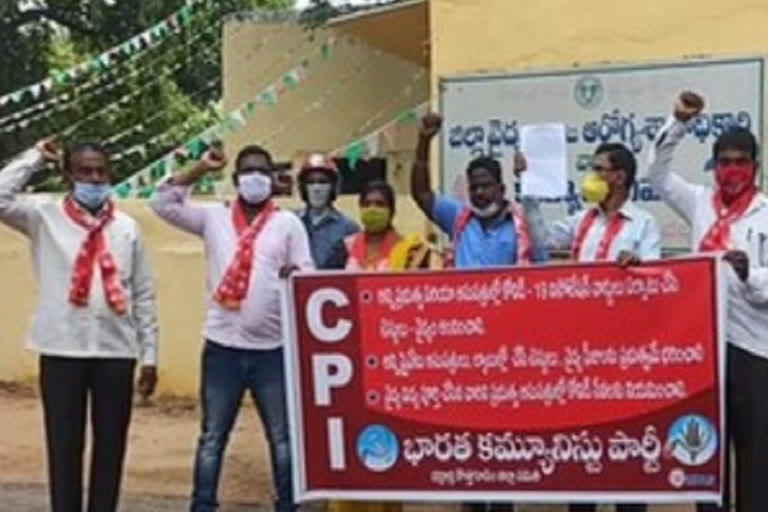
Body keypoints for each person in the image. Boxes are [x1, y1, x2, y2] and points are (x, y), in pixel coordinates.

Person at [149, 145, 313, 512]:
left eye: (262, 171)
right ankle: (203, 504)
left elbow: (308, 274)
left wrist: (295, 275)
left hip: (274, 348)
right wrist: (200, 169)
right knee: (212, 437)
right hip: (223, 347)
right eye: (248, 171)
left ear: (273, 179)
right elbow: (161, 203)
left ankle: (288, 504)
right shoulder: (213, 218)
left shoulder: (288, 224)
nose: (255, 177)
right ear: (237, 179)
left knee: (283, 439)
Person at [0, 139, 159, 512]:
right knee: (64, 447)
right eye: (85, 171)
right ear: (69, 175)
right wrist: (36, 156)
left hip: (116, 353)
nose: (94, 178)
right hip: (61, 351)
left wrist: (149, 355)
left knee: (110, 448)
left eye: (100, 171)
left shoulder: (127, 228)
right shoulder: (43, 216)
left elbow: (144, 295)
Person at [647, 90, 768, 512]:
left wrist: (748, 274)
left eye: (741, 161)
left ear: (755, 166)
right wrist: (678, 122)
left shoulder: (766, 214)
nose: (732, 169)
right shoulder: (699, 202)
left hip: (755, 350)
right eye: (724, 161)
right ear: (714, 165)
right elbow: (657, 177)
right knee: (705, 451)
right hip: (704, 351)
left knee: (755, 456)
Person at [411, 113, 546, 274]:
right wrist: (423, 143)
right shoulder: (458, 217)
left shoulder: (521, 226)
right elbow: (422, 194)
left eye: (486, 186)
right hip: (464, 297)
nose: (479, 192)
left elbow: (541, 269)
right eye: (474, 187)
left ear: (501, 189)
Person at [522, 142, 661, 268]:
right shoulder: (582, 219)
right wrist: (527, 185)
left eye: (599, 169)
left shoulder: (644, 223)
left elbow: (652, 270)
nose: (592, 176)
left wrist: (635, 261)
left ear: (619, 177)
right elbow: (542, 240)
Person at [295, 152, 359, 269]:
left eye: (322, 182)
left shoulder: (349, 228)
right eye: (311, 182)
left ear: (333, 187)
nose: (316, 188)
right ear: (303, 188)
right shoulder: (292, 222)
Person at [344, 180, 402, 271]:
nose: (372, 209)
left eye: (380, 204)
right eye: (367, 204)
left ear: (392, 211)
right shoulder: (347, 246)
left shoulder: (403, 248)